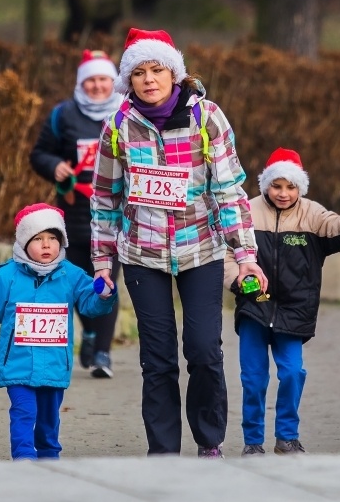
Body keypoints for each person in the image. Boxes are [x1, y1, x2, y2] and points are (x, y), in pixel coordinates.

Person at [90, 27, 267, 459]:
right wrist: (101, 262)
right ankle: (163, 452)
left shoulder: (207, 118)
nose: (149, 79)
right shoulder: (117, 126)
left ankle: (209, 439)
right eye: (139, 72)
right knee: (157, 357)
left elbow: (230, 190)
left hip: (201, 248)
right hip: (142, 252)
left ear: (175, 74)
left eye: (158, 70)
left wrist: (245, 256)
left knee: (204, 349)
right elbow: (104, 196)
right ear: (128, 81)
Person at [224, 147, 340, 457]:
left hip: (294, 311)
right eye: (276, 186)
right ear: (266, 184)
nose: (283, 193)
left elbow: (338, 227)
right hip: (254, 307)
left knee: (292, 372)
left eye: (290, 186)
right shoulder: (246, 212)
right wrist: (238, 280)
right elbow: (226, 254)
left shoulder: (313, 214)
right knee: (253, 378)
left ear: (300, 187)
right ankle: (253, 442)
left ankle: (287, 437)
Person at [0, 203, 118, 460]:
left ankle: (48, 456)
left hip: (55, 365)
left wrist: (104, 295)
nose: (46, 245)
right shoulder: (6, 277)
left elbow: (90, 306)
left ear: (61, 242)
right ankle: (24, 458)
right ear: (23, 243)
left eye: (53, 239)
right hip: (18, 365)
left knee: (48, 417)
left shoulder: (71, 275)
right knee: (23, 412)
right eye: (37, 239)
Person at [30, 49, 124, 378]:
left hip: (115, 215)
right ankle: (92, 332)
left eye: (104, 79)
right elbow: (39, 154)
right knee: (77, 282)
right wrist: (53, 165)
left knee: (107, 281)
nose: (98, 86)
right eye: (92, 80)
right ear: (81, 83)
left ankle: (102, 354)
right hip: (73, 214)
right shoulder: (63, 115)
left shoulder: (128, 113)